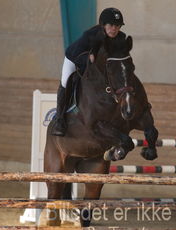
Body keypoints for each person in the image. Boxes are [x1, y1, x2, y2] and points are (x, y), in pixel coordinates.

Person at [51, 7, 126, 136]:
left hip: (95, 67)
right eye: (111, 25)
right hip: (74, 59)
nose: (114, 29)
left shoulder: (119, 38)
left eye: (118, 26)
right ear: (103, 24)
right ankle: (60, 119)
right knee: (65, 82)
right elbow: (77, 54)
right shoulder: (90, 36)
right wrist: (89, 59)